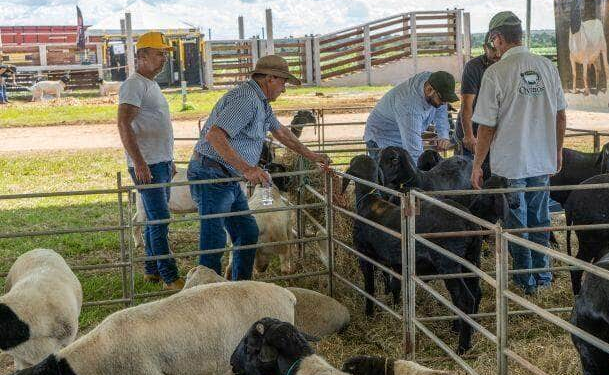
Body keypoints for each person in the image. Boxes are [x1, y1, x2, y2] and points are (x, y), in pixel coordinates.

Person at [189, 55, 331, 280]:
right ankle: (208, 295)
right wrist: (247, 168)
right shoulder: (246, 99)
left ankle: (241, 287)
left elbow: (281, 132)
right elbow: (215, 135)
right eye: (283, 82)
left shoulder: (261, 102)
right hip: (213, 174)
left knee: (247, 233)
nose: (284, 89)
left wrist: (311, 155)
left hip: (228, 176)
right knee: (214, 240)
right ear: (271, 78)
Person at [470, 12, 567, 295]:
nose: (494, 47)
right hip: (540, 160)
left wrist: (477, 164)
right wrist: (557, 150)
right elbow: (561, 116)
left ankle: (526, 282)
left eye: (493, 42)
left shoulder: (496, 73)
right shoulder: (547, 67)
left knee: (517, 224)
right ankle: (543, 278)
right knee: (541, 219)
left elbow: (486, 126)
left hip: (511, 164)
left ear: (497, 38)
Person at [117, 32, 183, 289]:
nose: (164, 58)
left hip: (160, 162)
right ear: (142, 56)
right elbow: (123, 124)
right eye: (159, 53)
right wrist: (139, 162)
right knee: (159, 218)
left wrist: (168, 159)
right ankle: (169, 276)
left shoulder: (151, 84)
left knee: (153, 217)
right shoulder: (134, 85)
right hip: (149, 165)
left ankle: (152, 269)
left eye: (165, 53)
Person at [363, 71, 459, 163]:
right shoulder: (409, 106)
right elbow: (414, 152)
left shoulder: (433, 81)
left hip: (402, 133)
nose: (445, 103)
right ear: (429, 90)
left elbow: (441, 110)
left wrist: (443, 136)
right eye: (442, 99)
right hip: (383, 138)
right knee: (389, 175)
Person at [455, 37, 501, 178]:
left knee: (490, 175)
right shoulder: (474, 67)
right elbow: (467, 105)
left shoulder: (506, 66)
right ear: (484, 47)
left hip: (494, 132)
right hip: (472, 129)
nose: (497, 54)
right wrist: (468, 135)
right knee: (467, 175)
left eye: (499, 49)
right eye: (493, 50)